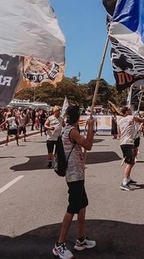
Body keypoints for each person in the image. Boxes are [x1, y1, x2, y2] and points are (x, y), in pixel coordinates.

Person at [52, 105, 96, 259]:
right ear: (77, 117)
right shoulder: (72, 131)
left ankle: (81, 239)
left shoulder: (68, 129)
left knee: (82, 205)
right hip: (74, 175)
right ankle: (59, 244)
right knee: (73, 208)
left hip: (77, 173)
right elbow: (88, 145)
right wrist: (91, 127)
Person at [117, 106, 144, 191]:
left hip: (124, 142)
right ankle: (124, 182)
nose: (131, 111)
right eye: (129, 110)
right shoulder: (130, 117)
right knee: (130, 163)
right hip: (127, 142)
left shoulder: (120, 121)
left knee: (132, 160)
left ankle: (128, 179)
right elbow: (142, 120)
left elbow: (119, 133)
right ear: (126, 111)